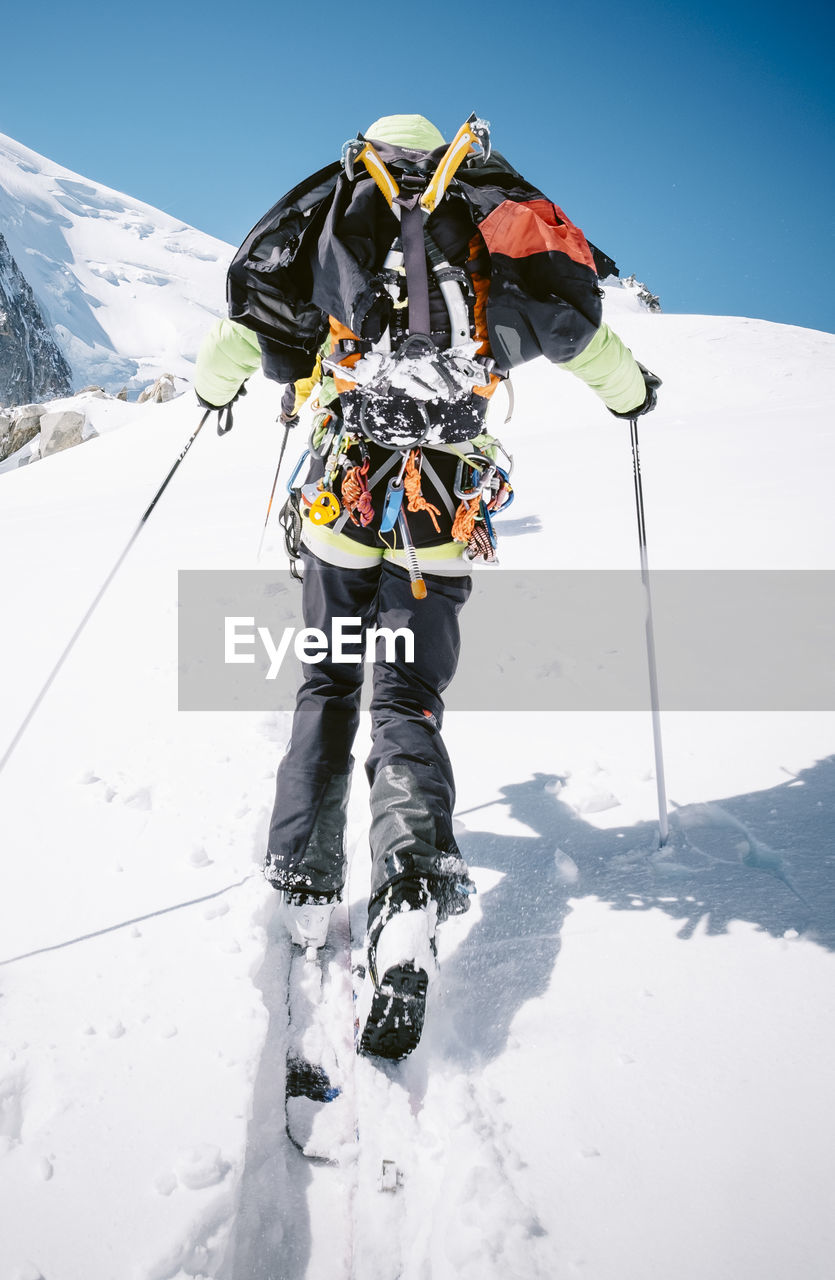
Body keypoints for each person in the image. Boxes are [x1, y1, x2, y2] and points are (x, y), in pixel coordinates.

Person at [193, 113, 660, 1059]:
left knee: (327, 681)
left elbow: (248, 328)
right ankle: (409, 890)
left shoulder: (337, 214)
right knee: (406, 696)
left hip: (343, 500)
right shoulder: (480, 221)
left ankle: (305, 888)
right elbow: (576, 337)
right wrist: (631, 392)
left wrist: (213, 392)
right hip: (441, 512)